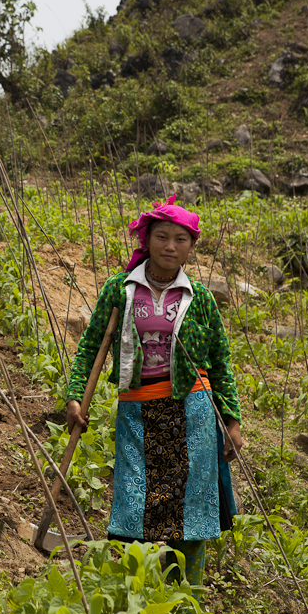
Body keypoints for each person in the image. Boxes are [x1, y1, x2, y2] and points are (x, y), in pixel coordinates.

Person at [65, 195, 244, 587]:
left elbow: (221, 362)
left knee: (192, 512)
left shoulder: (200, 300)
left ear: (191, 248)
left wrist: (231, 420)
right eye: (162, 237)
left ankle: (188, 598)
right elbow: (92, 347)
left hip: (192, 413)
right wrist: (75, 396)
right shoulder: (121, 289)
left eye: (181, 240)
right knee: (132, 505)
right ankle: (133, 592)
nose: (170, 246)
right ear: (146, 241)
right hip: (137, 411)